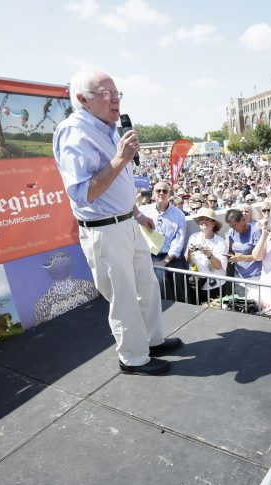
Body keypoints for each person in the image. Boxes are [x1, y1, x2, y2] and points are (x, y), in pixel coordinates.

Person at [53, 69, 180, 376]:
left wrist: (136, 213)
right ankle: (133, 358)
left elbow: (116, 185)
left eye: (117, 94)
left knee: (146, 285)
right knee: (123, 296)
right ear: (83, 99)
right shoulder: (74, 132)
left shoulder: (108, 128)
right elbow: (84, 193)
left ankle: (151, 340)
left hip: (127, 223)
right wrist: (121, 158)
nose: (115, 101)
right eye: (107, 94)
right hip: (105, 231)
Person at [140, 181, 187, 300]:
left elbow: (178, 241)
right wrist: (138, 197)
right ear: (153, 195)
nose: (161, 193)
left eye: (165, 191)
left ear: (169, 194)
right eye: (158, 191)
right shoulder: (144, 211)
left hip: (173, 256)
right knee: (161, 285)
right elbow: (129, 213)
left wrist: (165, 260)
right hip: (153, 255)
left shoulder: (178, 215)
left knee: (180, 285)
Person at [185, 207, 228, 303]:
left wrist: (209, 255)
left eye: (207, 219)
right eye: (201, 219)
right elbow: (189, 261)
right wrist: (190, 252)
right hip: (197, 284)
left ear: (213, 223)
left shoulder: (220, 242)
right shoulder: (193, 237)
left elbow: (219, 266)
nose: (203, 221)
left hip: (215, 285)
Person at [225, 208, 263, 281]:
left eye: (235, 225)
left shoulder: (256, 231)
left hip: (254, 276)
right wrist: (230, 256)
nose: (234, 229)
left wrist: (244, 257)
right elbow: (230, 250)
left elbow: (260, 255)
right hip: (238, 276)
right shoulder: (232, 232)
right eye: (231, 226)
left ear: (242, 219)